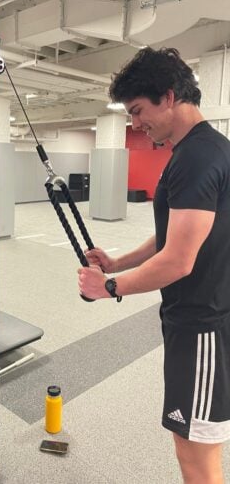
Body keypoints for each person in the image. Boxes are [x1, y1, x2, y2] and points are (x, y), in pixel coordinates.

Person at [78, 47, 230, 484]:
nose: (136, 124)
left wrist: (108, 287)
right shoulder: (191, 152)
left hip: (203, 324)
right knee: (191, 448)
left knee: (197, 458)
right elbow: (171, 238)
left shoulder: (199, 156)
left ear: (169, 97)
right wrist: (116, 262)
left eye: (139, 111)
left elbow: (179, 261)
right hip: (192, 320)